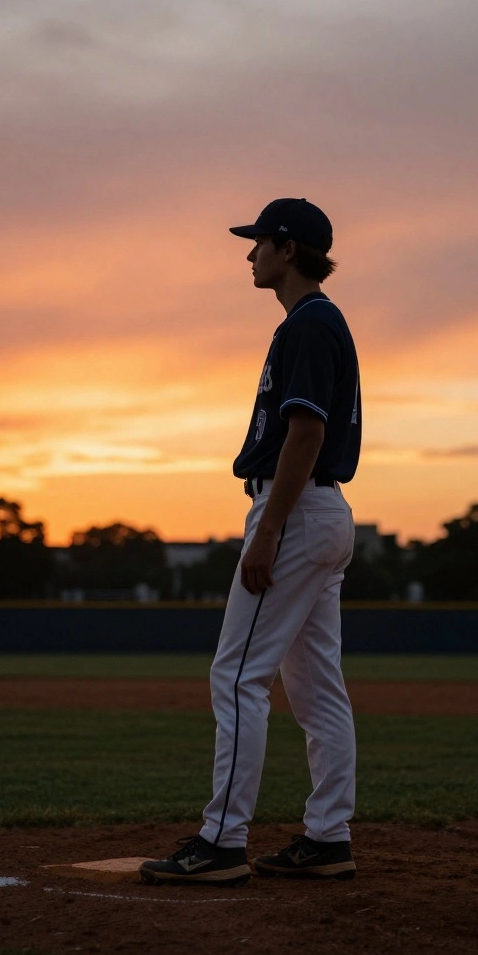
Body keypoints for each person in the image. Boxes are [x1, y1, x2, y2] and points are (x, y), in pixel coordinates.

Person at [140, 198, 362, 887]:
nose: (250, 253)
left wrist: (267, 532)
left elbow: (306, 434)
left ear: (288, 250)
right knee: (316, 686)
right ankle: (328, 836)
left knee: (237, 676)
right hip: (321, 513)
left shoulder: (307, 324)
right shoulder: (318, 323)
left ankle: (222, 840)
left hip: (293, 512)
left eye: (260, 241)